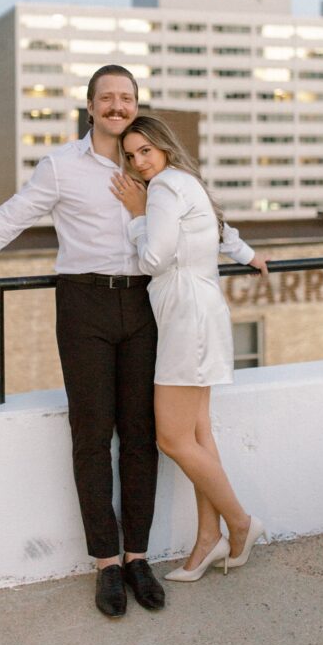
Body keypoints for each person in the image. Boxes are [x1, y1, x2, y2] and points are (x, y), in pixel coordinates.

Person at [0, 65, 166, 618]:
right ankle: (107, 563)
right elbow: (5, 222)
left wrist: (241, 253)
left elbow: (195, 215)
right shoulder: (62, 168)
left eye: (127, 98)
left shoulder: (150, 161)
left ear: (136, 104)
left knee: (141, 433)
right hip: (83, 305)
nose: (117, 106)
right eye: (108, 98)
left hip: (145, 303)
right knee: (93, 435)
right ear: (91, 106)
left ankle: (139, 556)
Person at [110, 115, 270, 582]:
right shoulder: (186, 182)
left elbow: (154, 258)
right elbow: (219, 232)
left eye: (145, 151)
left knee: (172, 439)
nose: (139, 163)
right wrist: (249, 256)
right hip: (199, 311)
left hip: (185, 317)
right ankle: (207, 540)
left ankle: (240, 522)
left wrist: (138, 218)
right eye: (132, 155)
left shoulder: (161, 189)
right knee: (199, 434)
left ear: (163, 146)